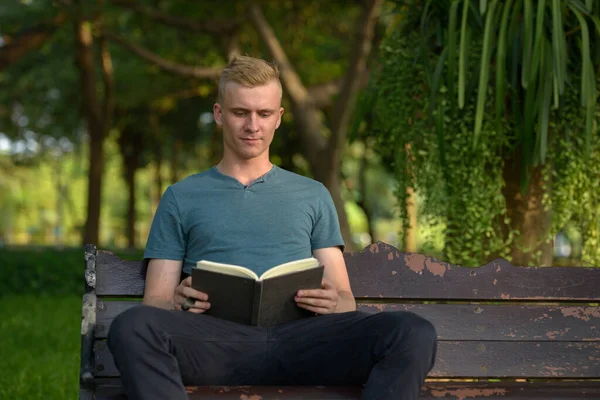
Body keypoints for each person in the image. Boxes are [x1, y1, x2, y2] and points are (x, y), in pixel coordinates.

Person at [107, 55, 437, 400]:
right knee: (133, 327)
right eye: (240, 113)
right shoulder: (181, 196)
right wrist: (175, 302)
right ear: (219, 114)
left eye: (264, 114)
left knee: (412, 331)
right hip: (214, 344)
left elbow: (345, 299)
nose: (253, 125)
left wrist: (331, 302)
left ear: (278, 118)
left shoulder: (312, 194)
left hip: (305, 343)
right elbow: (155, 302)